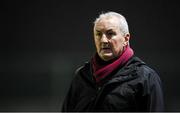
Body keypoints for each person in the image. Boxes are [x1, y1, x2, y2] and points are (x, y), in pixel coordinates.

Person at [62, 11, 164, 112]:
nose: (103, 40)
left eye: (110, 33)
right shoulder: (82, 76)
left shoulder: (145, 78)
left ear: (126, 39)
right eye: (98, 34)